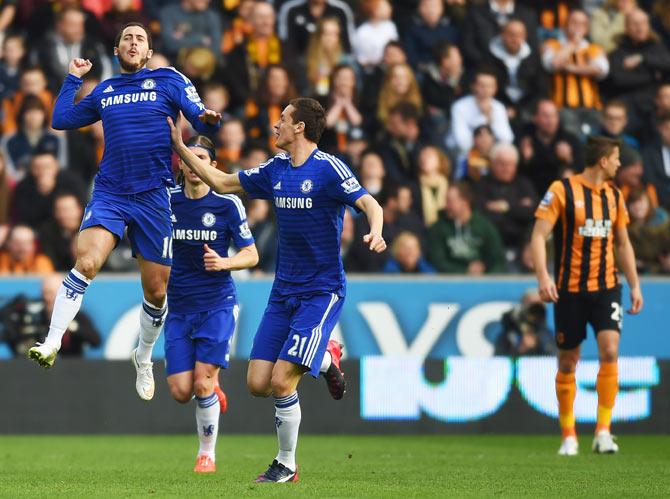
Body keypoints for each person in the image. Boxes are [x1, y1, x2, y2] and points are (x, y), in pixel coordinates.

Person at [167, 96, 385, 482]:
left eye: (282, 119)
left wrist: (376, 230)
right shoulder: (275, 170)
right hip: (283, 291)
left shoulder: (329, 169)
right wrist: (181, 146)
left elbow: (369, 203)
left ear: (299, 126)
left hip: (321, 290)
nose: (276, 125)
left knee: (283, 380)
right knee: (256, 384)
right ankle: (326, 358)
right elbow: (222, 181)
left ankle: (286, 464)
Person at [27, 22, 222, 408]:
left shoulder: (168, 80)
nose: (133, 43)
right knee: (87, 261)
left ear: (148, 52)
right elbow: (62, 119)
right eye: (127, 39)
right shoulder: (106, 90)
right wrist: (72, 78)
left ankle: (144, 355)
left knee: (156, 291)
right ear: (117, 52)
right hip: (112, 192)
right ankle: (51, 341)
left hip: (153, 196)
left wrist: (208, 119)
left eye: (140, 39)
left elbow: (198, 117)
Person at [530, 136, 643, 456]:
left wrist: (634, 284)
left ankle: (603, 432)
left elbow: (622, 243)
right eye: (617, 158)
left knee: (610, 350)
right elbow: (539, 236)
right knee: (569, 361)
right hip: (569, 290)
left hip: (607, 286)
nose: (620, 164)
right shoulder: (561, 190)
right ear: (603, 161)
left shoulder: (614, 196)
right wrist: (543, 277)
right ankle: (568, 435)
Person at [165, 135, 258, 473]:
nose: (194, 164)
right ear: (181, 163)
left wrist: (225, 263)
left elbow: (252, 254)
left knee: (202, 383)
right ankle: (212, 391)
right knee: (180, 391)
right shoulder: (167, 201)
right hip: (178, 307)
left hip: (217, 304)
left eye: (202, 157)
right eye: (189, 157)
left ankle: (207, 454)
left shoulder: (227, 204)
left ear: (213, 165)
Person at [0, 273, 101, 357]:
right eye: (45, 293)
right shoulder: (35, 316)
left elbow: (96, 341)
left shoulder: (76, 316)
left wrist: (73, 327)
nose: (47, 298)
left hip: (70, 368)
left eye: (52, 293)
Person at [427, 182, 506, 274]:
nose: (446, 205)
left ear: (465, 201)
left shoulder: (485, 227)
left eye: (450, 201)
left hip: (482, 282)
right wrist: (465, 271)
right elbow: (437, 262)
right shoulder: (438, 228)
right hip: (451, 282)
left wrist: (487, 278)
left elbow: (498, 260)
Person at [494, 289, 557, 356]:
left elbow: (554, 356)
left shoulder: (545, 333)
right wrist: (520, 349)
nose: (535, 311)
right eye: (532, 305)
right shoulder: (510, 332)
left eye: (538, 305)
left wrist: (539, 342)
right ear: (523, 306)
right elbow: (499, 360)